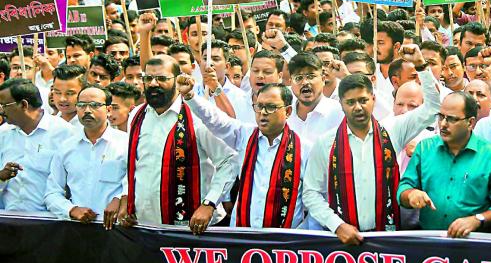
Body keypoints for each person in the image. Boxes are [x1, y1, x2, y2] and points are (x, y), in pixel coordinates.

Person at [303, 45, 441, 244]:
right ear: (341, 104)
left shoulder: (393, 130)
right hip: (342, 240)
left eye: (363, 100)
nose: (358, 107)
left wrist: (420, 66)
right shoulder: (326, 143)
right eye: (350, 102)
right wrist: (337, 225)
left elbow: (434, 107)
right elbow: (311, 193)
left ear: (374, 99)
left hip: (387, 238)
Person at [110, 56, 236, 234]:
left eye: (162, 79)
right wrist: (126, 197)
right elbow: (134, 165)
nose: (153, 84)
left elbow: (228, 161)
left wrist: (210, 203)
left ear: (177, 81)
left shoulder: (198, 115)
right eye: (148, 78)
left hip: (194, 227)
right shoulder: (137, 115)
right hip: (146, 225)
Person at [179, 77, 305, 229]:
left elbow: (313, 198)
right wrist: (190, 96)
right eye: (259, 106)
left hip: (284, 242)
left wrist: (300, 236)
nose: (263, 113)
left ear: (288, 111)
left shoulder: (304, 149)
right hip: (243, 235)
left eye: (271, 107)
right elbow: (215, 119)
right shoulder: (244, 136)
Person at [398, 92, 491, 236]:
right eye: (441, 116)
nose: (443, 124)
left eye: (452, 119)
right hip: (429, 242)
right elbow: (404, 187)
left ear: (470, 122)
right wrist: (411, 195)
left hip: (474, 244)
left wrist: (477, 219)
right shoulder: (425, 149)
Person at [44, 85, 126, 222]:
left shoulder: (125, 144)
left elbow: (135, 183)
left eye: (94, 105)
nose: (87, 110)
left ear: (109, 109)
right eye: (82, 105)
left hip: (116, 229)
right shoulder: (66, 147)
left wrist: (121, 199)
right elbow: (52, 193)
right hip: (78, 227)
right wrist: (71, 210)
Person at [0, 79, 75, 211]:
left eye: (4, 105)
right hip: (8, 219)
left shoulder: (65, 133)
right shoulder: (3, 133)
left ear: (24, 105)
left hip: (49, 221)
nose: (1, 111)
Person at [286, 52, 344, 150]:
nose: (305, 82)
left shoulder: (339, 113)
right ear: (290, 82)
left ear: (323, 79)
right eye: (298, 78)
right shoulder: (284, 113)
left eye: (311, 76)